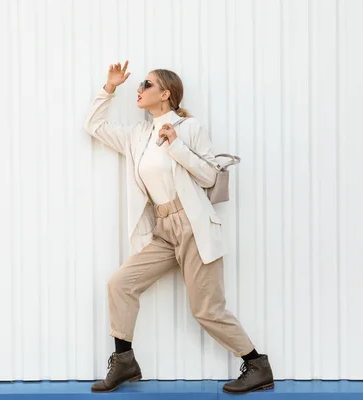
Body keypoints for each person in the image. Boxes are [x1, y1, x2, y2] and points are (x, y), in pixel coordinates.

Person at [83, 60, 274, 395]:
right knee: (120, 284)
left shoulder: (189, 128)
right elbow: (94, 126)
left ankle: (257, 364)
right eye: (140, 86)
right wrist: (109, 87)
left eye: (146, 85)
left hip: (192, 224)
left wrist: (176, 145)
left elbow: (210, 176)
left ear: (166, 94)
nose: (139, 91)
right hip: (162, 229)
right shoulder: (137, 135)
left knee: (205, 309)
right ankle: (124, 360)